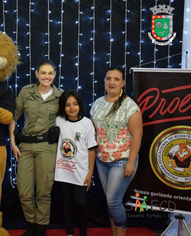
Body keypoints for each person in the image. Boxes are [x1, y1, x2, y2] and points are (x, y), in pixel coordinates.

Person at [9, 58, 63, 236]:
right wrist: (12, 142)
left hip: (47, 148)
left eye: (50, 73)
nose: (46, 76)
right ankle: (31, 224)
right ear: (36, 74)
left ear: (54, 75)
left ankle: (40, 228)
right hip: (25, 146)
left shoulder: (60, 96)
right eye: (43, 73)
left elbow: (69, 120)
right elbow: (13, 117)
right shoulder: (26, 92)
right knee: (24, 191)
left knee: (43, 191)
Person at [90, 67, 143, 236]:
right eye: (109, 78)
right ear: (105, 81)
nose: (112, 82)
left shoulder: (129, 106)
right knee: (110, 200)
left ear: (123, 83)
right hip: (102, 160)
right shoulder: (98, 103)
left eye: (116, 79)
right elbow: (93, 130)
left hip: (122, 160)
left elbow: (137, 135)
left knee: (113, 201)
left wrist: (131, 161)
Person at [54, 90, 97, 236]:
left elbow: (92, 150)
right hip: (64, 171)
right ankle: (69, 232)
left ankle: (83, 231)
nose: (71, 108)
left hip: (81, 172)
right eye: (67, 105)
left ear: (80, 105)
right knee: (67, 203)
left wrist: (90, 173)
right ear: (63, 107)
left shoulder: (87, 124)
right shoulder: (59, 121)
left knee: (80, 203)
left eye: (75, 104)